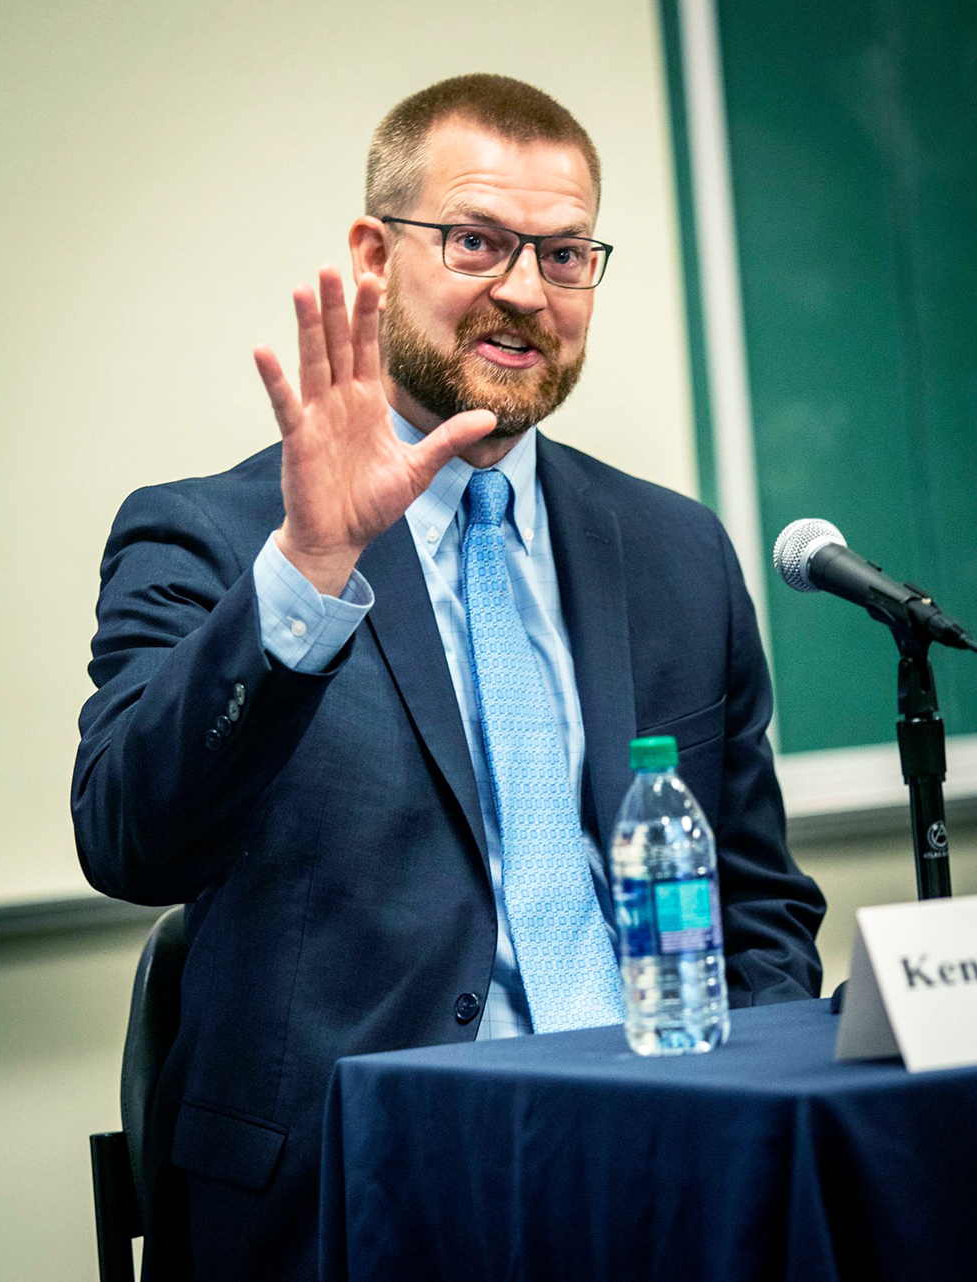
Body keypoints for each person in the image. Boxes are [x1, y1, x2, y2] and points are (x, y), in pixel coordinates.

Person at [73, 73, 825, 1282]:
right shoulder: (210, 538)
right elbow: (127, 840)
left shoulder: (677, 552)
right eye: (476, 241)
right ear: (374, 255)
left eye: (566, 254)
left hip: (666, 1175)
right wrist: (308, 573)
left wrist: (743, 1108)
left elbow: (759, 903)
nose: (524, 291)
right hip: (359, 1200)